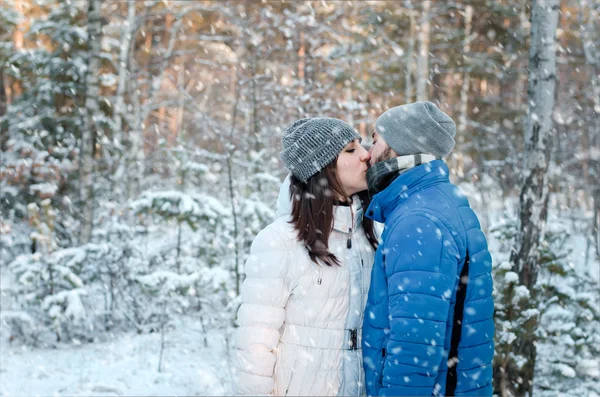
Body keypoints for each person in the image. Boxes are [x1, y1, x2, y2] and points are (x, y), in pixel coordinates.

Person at [233, 117, 379, 396]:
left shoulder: (370, 234)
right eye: (350, 150)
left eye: (362, 145)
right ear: (322, 169)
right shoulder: (279, 242)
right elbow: (255, 345)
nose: (366, 155)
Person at [362, 102, 494, 396]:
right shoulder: (439, 201)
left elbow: (414, 346)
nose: (368, 154)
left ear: (398, 147)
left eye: (375, 140)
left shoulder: (418, 220)